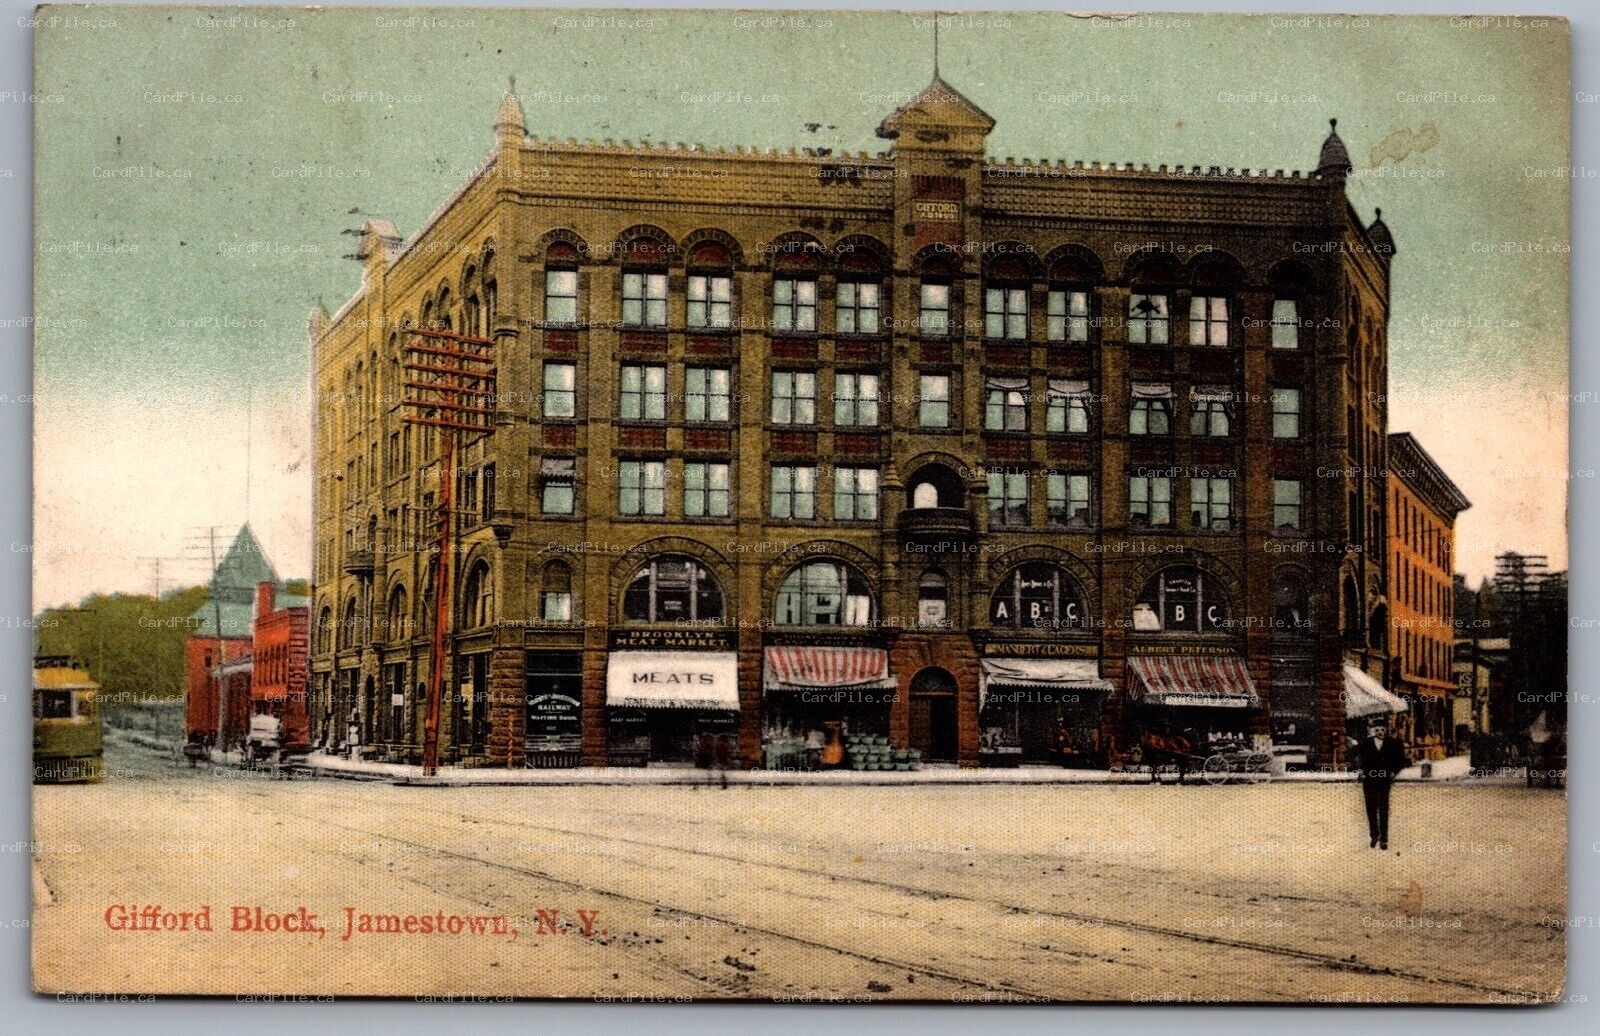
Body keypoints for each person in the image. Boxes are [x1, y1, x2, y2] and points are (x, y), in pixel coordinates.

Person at [1354, 718, 1410, 849]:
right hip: (1369, 779)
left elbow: (1401, 760)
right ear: (1373, 731)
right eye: (1377, 730)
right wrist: (1360, 769)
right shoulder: (1366, 743)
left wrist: (1393, 772)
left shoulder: (1393, 744)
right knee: (1371, 808)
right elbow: (1356, 757)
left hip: (1384, 779)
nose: (1380, 732)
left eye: (1382, 729)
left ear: (1386, 730)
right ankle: (1374, 835)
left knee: (1383, 809)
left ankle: (1384, 839)